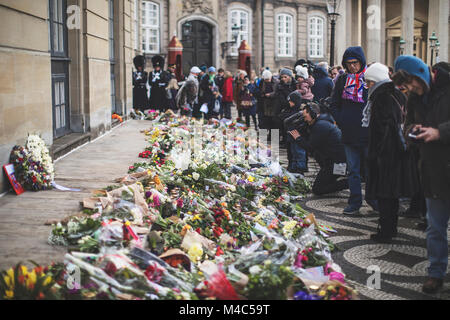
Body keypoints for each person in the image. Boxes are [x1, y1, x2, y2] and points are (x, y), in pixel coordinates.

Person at [393, 57, 450, 294]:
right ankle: (436, 273)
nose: (413, 90)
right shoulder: (415, 97)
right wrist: (412, 132)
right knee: (435, 228)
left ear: (422, 74)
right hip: (432, 170)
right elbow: (407, 125)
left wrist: (440, 132)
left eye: (415, 85)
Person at [363, 62, 419, 243]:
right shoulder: (397, 94)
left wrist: (376, 154)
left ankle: (386, 231)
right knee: (391, 194)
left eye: (370, 82)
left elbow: (383, 129)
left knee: (385, 194)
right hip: (396, 153)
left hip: (386, 155)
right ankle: (390, 228)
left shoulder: (382, 97)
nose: (368, 86)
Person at [330, 46, 378, 215]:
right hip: (349, 133)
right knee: (353, 171)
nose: (352, 67)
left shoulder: (370, 79)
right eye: (349, 63)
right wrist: (341, 119)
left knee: (371, 169)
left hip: (367, 133)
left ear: (361, 62)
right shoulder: (342, 80)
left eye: (355, 63)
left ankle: (373, 199)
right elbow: (334, 103)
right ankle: (355, 201)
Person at [289, 102, 349, 195]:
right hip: (333, 161)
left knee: (318, 189)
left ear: (313, 114)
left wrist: (298, 138)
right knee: (323, 180)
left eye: (305, 117)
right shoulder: (321, 122)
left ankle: (348, 183)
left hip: (337, 163)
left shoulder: (320, 126)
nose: (304, 120)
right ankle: (332, 179)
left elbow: (310, 147)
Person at [271, 68, 297, 146]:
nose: (283, 79)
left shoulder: (295, 85)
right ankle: (275, 142)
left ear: (290, 76)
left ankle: (286, 142)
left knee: (287, 125)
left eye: (285, 77)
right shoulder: (279, 86)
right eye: (282, 77)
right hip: (280, 107)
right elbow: (280, 98)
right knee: (276, 123)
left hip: (290, 109)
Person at [284, 91, 308, 173]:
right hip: (291, 135)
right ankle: (293, 168)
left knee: (299, 153)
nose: (289, 103)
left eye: (291, 101)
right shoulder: (290, 110)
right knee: (293, 153)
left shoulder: (300, 112)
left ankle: (299, 169)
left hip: (298, 136)